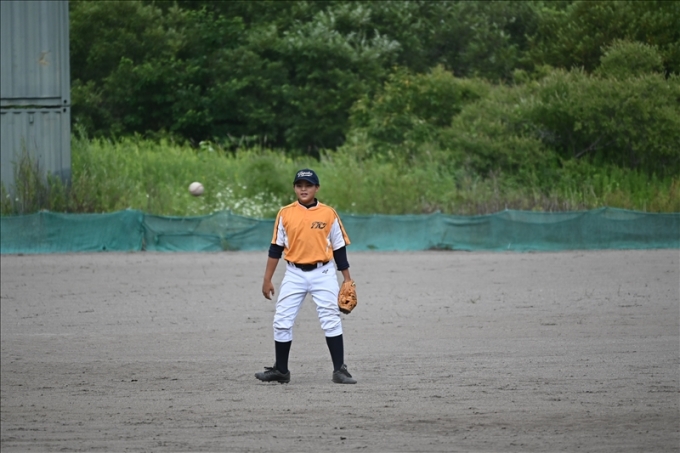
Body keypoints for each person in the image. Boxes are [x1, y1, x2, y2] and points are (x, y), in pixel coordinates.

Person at [255, 168, 357, 385]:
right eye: (299, 185)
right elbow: (275, 248)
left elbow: (339, 248)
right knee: (281, 320)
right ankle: (281, 370)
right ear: (294, 188)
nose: (303, 189)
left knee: (330, 319)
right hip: (294, 274)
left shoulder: (328, 213)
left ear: (316, 188)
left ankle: (339, 370)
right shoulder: (285, 213)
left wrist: (347, 279)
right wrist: (267, 279)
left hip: (323, 272)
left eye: (308, 185)